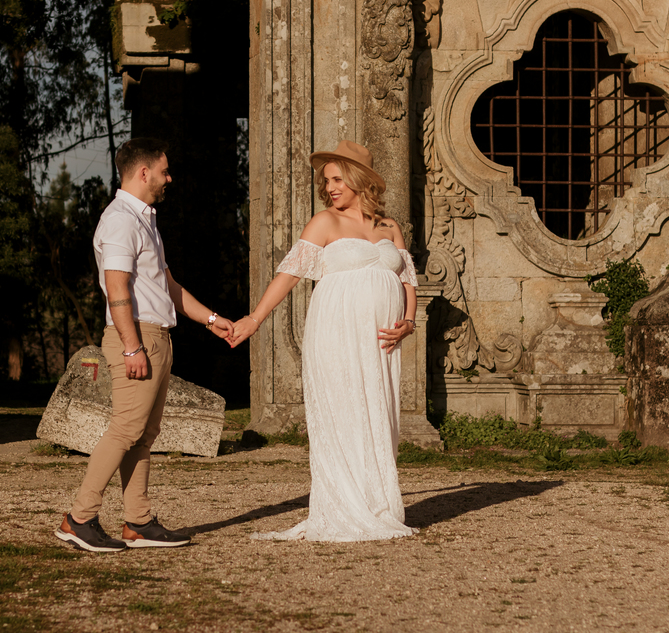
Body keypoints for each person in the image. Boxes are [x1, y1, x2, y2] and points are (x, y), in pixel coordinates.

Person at [228, 140, 417, 541]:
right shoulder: (324, 223)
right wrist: (254, 319)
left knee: (378, 416)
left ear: (359, 179)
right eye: (326, 179)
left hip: (381, 340)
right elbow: (290, 274)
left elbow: (407, 279)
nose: (329, 186)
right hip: (335, 333)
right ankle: (343, 506)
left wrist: (409, 321)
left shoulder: (388, 227)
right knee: (343, 412)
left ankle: (376, 503)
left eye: (337, 178)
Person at [57, 138, 235, 552]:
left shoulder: (145, 220)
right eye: (164, 170)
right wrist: (132, 346)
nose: (168, 177)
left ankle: (137, 522)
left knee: (143, 434)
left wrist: (212, 320)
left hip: (156, 336)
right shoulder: (120, 219)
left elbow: (168, 287)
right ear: (143, 172)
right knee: (125, 428)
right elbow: (116, 289)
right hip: (136, 335)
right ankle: (79, 518)